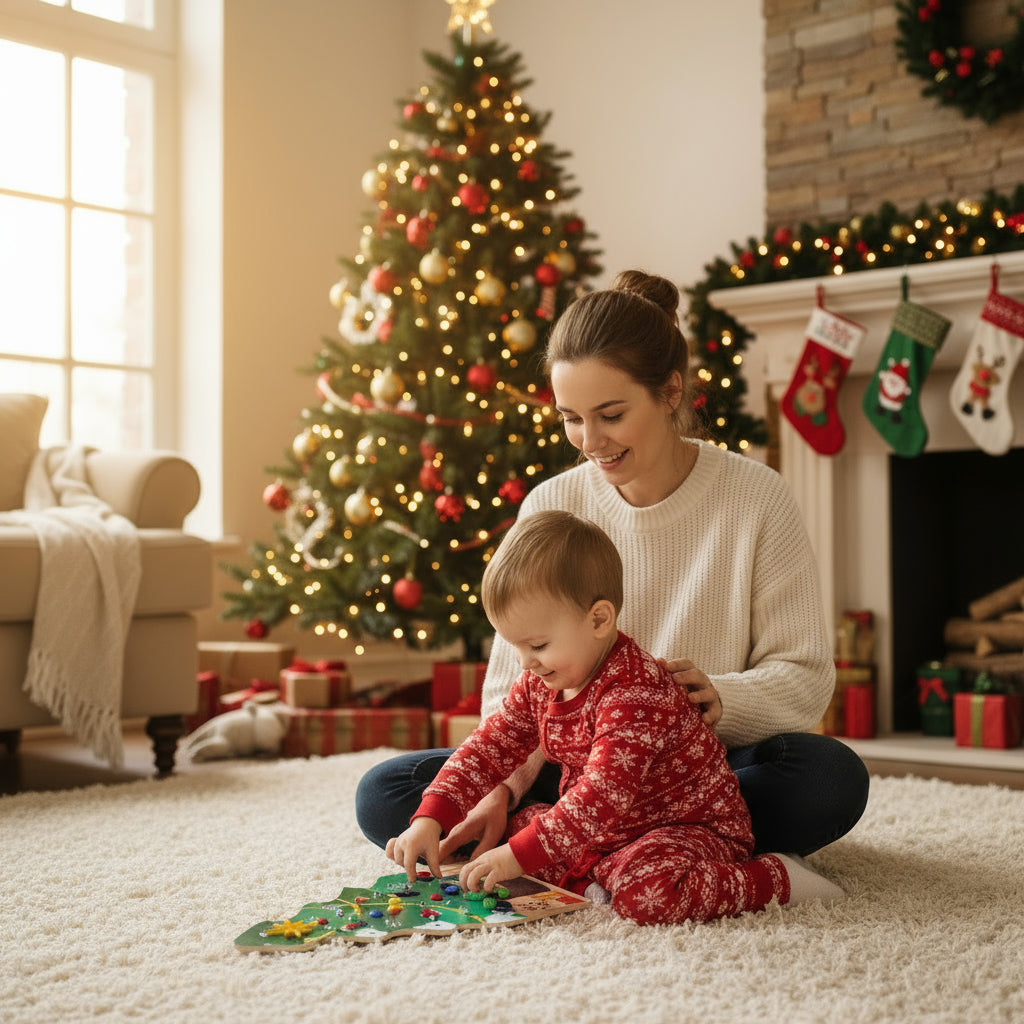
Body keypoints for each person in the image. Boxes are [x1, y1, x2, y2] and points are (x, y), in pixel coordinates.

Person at [357, 268, 869, 866]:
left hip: (692, 776)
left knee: (829, 779)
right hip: (574, 768)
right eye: (572, 417)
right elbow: (510, 693)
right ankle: (601, 840)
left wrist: (720, 698)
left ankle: (581, 839)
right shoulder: (550, 504)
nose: (590, 440)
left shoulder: (756, 498)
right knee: (385, 793)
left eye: (611, 414)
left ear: (671, 392)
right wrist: (501, 788)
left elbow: (806, 679)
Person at [386, 510, 842, 923]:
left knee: (647, 896)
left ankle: (776, 878)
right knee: (514, 831)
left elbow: (601, 796)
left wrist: (514, 859)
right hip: (607, 831)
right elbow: (489, 746)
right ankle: (597, 876)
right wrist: (431, 817)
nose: (524, 663)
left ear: (600, 619)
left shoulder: (634, 692)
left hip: (684, 827)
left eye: (539, 646)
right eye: (515, 647)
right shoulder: (539, 681)